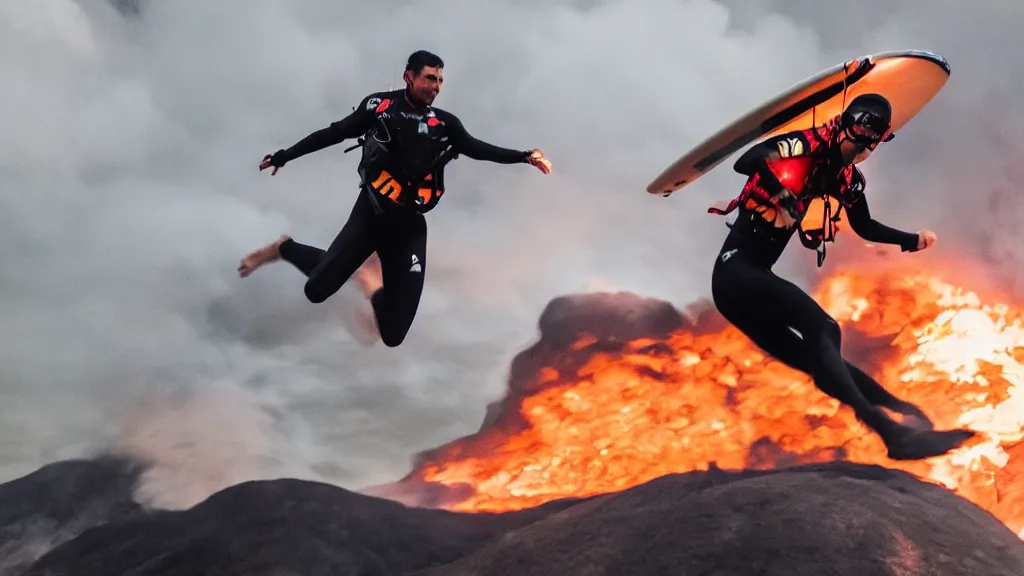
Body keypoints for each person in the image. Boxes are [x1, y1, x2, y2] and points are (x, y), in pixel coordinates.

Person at [706, 93, 976, 461]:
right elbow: (746, 162)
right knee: (825, 328)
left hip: (747, 288)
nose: (862, 152)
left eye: (870, 147)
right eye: (859, 142)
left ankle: (900, 417)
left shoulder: (844, 176)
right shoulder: (803, 145)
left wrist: (911, 240)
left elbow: (863, 225)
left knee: (823, 363)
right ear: (847, 126)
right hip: (736, 273)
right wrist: (785, 194)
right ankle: (892, 431)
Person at [238, 50, 552, 347]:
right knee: (316, 290)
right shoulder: (380, 107)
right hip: (371, 215)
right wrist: (284, 156)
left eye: (440, 80)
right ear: (409, 77)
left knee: (393, 333)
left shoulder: (445, 124)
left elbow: (478, 148)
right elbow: (333, 133)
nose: (436, 87)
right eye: (430, 78)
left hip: (409, 227)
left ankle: (368, 281)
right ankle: (283, 248)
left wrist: (524, 156)